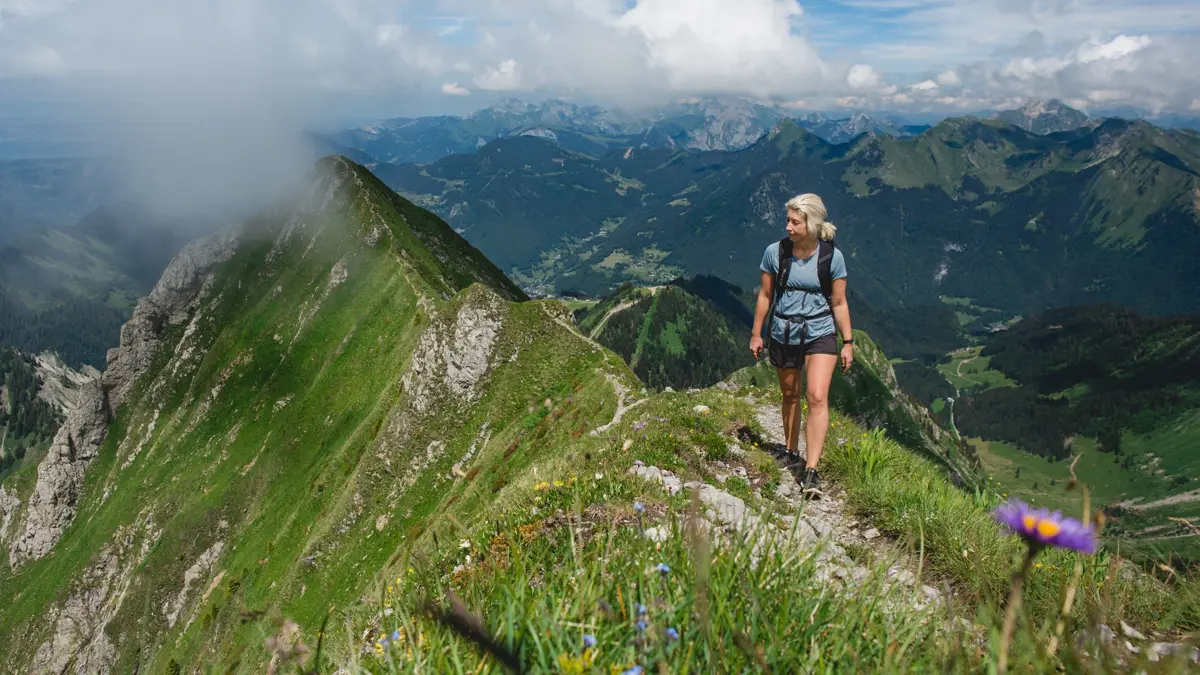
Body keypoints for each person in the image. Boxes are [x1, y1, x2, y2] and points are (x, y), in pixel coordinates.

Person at [749, 193, 853, 497]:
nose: (789, 227)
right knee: (790, 394)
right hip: (783, 331)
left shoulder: (832, 257)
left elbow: (839, 302)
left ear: (812, 223)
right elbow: (765, 296)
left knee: (817, 396)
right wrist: (757, 333)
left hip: (820, 332)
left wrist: (847, 342)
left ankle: (811, 470)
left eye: (795, 222)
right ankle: (791, 451)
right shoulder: (776, 253)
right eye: (788, 221)